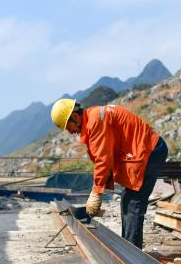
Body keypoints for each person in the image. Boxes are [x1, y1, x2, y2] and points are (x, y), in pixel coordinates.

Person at [51, 99, 168, 249]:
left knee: (134, 202)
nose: (70, 131)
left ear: (75, 116)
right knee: (127, 198)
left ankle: (132, 252)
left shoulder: (96, 121)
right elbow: (107, 156)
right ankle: (129, 246)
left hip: (150, 151)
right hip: (143, 151)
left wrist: (96, 193)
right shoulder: (94, 119)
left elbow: (103, 159)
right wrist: (100, 189)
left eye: (69, 126)